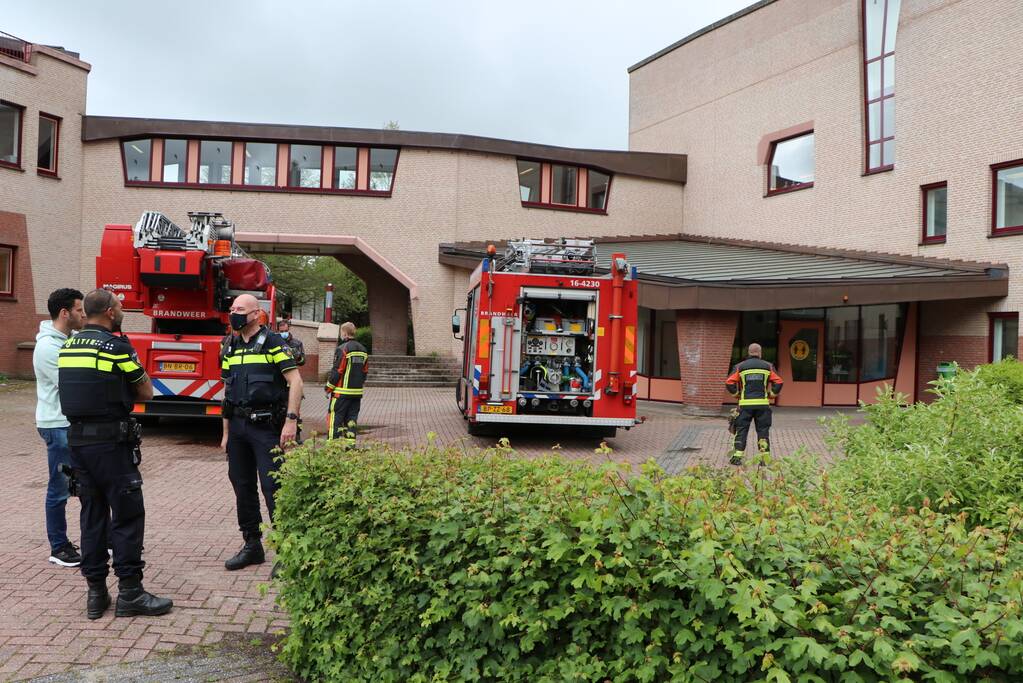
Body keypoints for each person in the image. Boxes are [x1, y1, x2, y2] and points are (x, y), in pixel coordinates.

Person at [57, 288, 172, 619]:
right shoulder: (117, 346)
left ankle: (96, 594)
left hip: (78, 445)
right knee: (127, 515)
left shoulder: (68, 347)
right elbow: (145, 391)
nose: (121, 311)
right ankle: (131, 593)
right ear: (109, 311)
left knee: (92, 516)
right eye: (119, 306)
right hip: (111, 445)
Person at [220, 294, 303, 571]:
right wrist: (226, 433)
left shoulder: (273, 343)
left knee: (273, 488)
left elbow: (296, 381)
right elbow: (227, 392)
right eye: (232, 309)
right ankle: (252, 545)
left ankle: (285, 551)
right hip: (239, 428)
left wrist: (290, 421)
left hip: (267, 427)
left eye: (240, 310)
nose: (234, 313)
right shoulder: (230, 346)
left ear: (256, 314)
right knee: (242, 487)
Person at [35, 288, 86, 568]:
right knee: (59, 489)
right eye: (79, 310)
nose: (83, 315)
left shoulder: (70, 339)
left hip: (70, 425)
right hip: (57, 426)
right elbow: (73, 382)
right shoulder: (48, 347)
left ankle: (99, 538)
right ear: (65, 313)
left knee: (85, 484)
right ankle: (59, 547)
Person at [724, 342, 783, 466]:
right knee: (763, 431)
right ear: (760, 353)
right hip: (762, 405)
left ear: (749, 352)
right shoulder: (768, 366)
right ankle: (764, 459)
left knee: (741, 430)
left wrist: (737, 395)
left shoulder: (740, 366)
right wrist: (771, 394)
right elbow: (779, 381)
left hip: (745, 405)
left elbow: (729, 382)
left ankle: (737, 458)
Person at [325, 322, 369, 448]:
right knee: (351, 421)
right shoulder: (363, 350)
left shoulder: (342, 348)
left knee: (335, 420)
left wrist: (328, 388)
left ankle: (331, 450)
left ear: (344, 333)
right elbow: (365, 371)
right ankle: (350, 447)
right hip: (356, 394)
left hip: (341, 393)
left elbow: (337, 370)